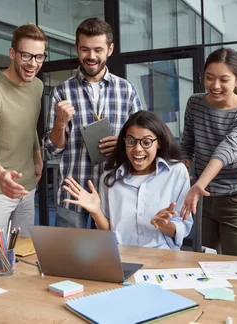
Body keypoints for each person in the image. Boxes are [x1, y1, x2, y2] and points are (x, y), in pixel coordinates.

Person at [45, 17, 143, 228]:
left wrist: (123, 143)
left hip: (115, 191)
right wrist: (60, 124)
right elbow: (53, 149)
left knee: (109, 259)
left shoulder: (127, 90)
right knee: (70, 259)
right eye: (85, 49)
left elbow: (143, 141)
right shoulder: (61, 91)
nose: (91, 56)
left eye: (98, 49)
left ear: (110, 49)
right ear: (77, 49)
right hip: (73, 192)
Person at [62, 111, 192, 249]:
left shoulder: (176, 172)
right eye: (131, 141)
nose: (137, 149)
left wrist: (165, 225)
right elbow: (108, 234)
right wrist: (96, 212)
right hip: (122, 257)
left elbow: (183, 225)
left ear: (158, 142)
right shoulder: (109, 178)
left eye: (146, 142)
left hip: (163, 257)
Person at [179, 47, 237, 256]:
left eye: (223, 80)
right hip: (202, 198)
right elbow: (187, 144)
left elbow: (228, 148)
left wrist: (199, 184)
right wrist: (184, 165)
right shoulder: (195, 103)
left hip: (236, 197)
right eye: (209, 78)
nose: (215, 86)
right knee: (202, 261)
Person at [0, 24, 48, 233]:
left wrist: (37, 156)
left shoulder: (37, 87)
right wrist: (0, 175)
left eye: (39, 57)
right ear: (12, 53)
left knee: (24, 253)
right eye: (26, 56)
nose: (33, 64)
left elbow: (29, 125)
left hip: (27, 187)